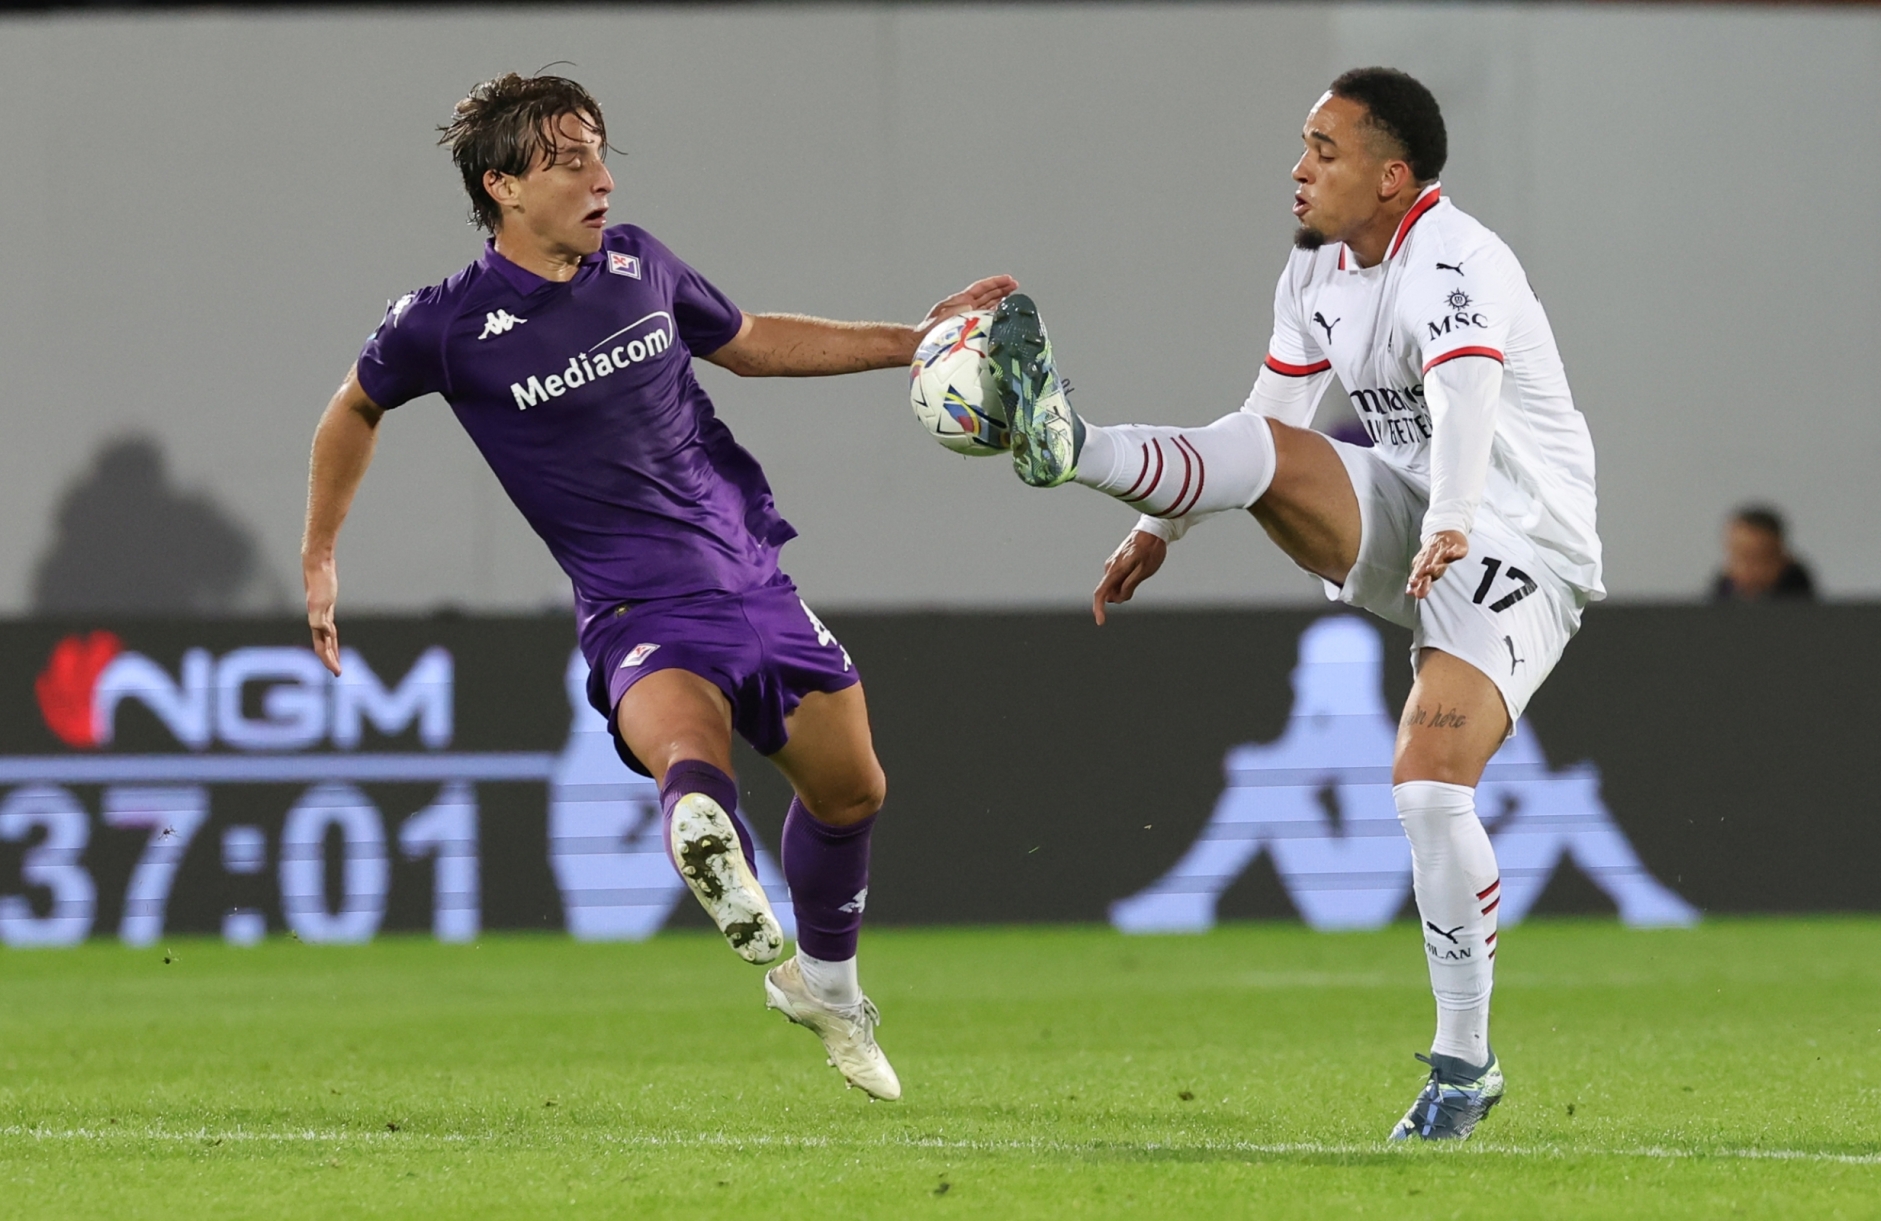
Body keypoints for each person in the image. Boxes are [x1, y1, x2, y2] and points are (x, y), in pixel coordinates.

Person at [300, 72, 1015, 1101]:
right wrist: (323, 553)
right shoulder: (444, 325)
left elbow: (752, 343)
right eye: (569, 161)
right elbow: (350, 411)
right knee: (687, 742)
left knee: (854, 790)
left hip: (752, 575)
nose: (600, 179)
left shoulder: (641, 265)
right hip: (640, 604)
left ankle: (824, 987)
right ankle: (700, 827)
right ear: (502, 186)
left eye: (600, 153)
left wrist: (914, 343)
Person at [978, 67, 1602, 1140]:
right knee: (1272, 450)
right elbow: (1264, 418)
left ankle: (1464, 1065)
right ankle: (1074, 448)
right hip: (1418, 512)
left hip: (1519, 541)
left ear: (1393, 176)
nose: (1300, 166)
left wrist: (1455, 514)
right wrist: (1153, 528)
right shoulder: (1316, 268)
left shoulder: (1455, 258)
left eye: (1325, 148)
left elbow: (1466, 394)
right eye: (1303, 144)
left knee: (1427, 789)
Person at [1710, 505, 1815, 601]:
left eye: (1756, 560)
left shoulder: (1800, 598)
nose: (1746, 569)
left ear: (1783, 558)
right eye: (1738, 558)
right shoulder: (1719, 597)